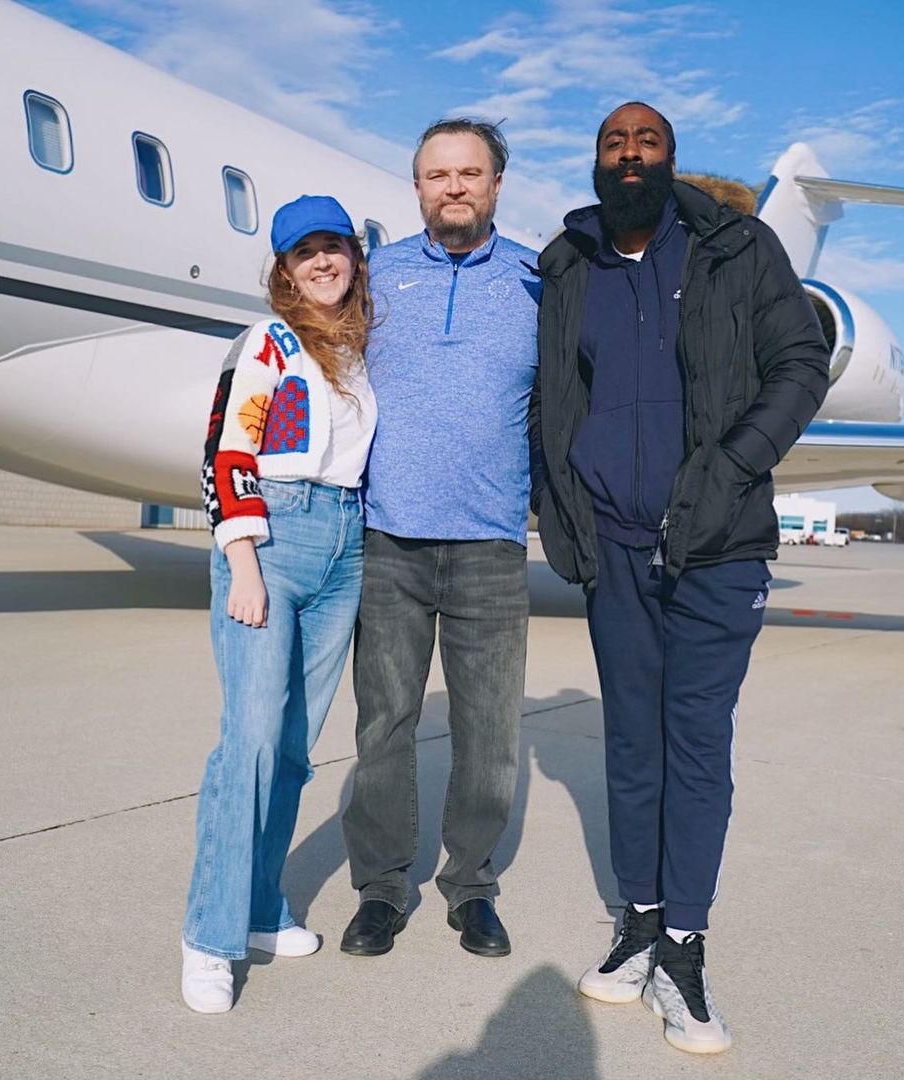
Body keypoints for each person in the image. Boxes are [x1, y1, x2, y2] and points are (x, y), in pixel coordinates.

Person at [531, 103, 830, 1053]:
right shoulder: (569, 263)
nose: (629, 155)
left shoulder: (738, 251)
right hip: (612, 546)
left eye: (646, 142)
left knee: (696, 746)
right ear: (596, 162)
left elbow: (799, 364)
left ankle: (686, 949)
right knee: (630, 744)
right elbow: (549, 395)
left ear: (671, 159)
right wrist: (560, 516)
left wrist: (730, 468)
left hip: (719, 544)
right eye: (613, 144)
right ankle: (640, 923)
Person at [339, 119, 540, 959]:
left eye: (469, 173)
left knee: (489, 732)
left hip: (491, 545)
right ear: (416, 187)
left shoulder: (539, 282)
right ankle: (382, 889)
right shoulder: (375, 279)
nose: (453, 187)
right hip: (390, 540)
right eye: (436, 175)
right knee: (382, 724)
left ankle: (470, 887)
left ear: (497, 183)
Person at [181, 195, 377, 1013]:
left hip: (346, 543)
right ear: (285, 269)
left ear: (352, 261)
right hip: (272, 538)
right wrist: (245, 562)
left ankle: (263, 908)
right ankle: (210, 938)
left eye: (335, 248)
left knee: (295, 747)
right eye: (307, 253)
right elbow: (227, 451)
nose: (324, 262)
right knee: (251, 741)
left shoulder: (363, 356)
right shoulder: (267, 343)